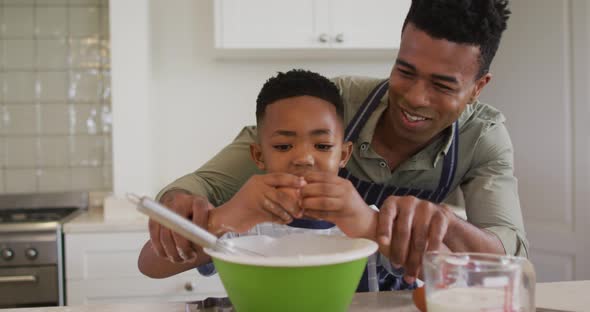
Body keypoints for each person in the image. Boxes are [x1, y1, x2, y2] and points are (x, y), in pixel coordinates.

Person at [142, 0, 528, 291]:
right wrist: (186, 207)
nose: (415, 98)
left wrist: (427, 225)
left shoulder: (484, 137)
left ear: (478, 88)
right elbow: (198, 189)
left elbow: (507, 259)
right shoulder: (334, 103)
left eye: (442, 85)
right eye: (404, 71)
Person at [139, 69, 383, 288]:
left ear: (343, 154)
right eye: (284, 146)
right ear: (258, 155)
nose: (304, 159)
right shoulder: (245, 226)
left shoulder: (363, 217)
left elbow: (418, 261)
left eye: (322, 145)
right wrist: (226, 217)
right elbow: (149, 264)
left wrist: (369, 224)